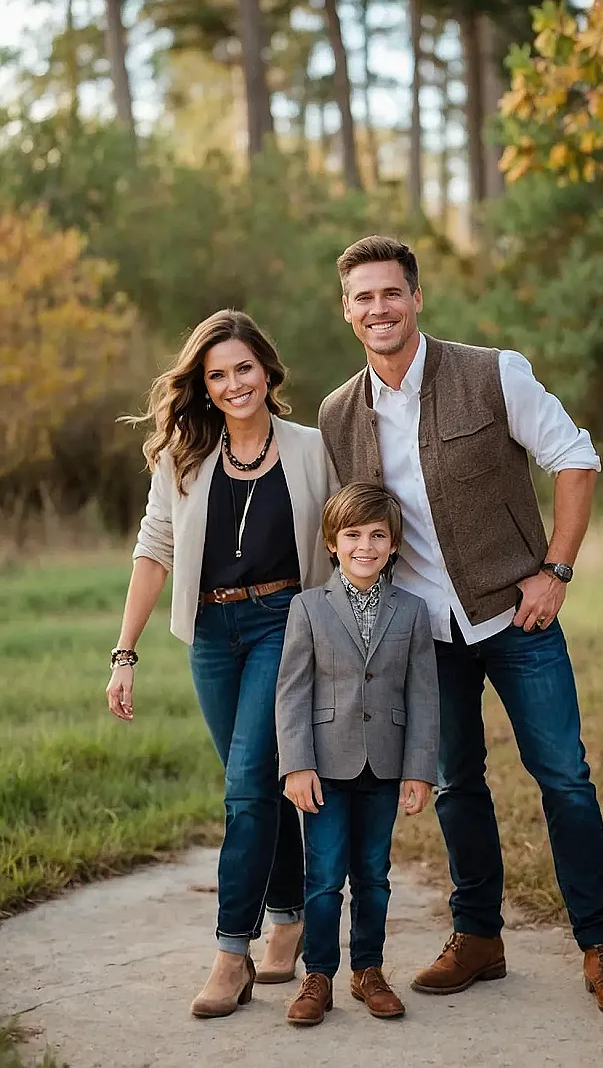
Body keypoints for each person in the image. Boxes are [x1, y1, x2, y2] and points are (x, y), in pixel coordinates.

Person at [318, 235, 603, 1017]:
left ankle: (599, 948)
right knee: (459, 784)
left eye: (390, 292)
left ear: (415, 298)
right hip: (423, 634)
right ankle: (478, 939)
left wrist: (555, 569)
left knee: (563, 778)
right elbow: (351, 531)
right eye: (363, 297)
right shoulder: (337, 414)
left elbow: (575, 457)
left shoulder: (493, 372)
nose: (378, 308)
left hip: (516, 615)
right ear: (346, 310)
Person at [106, 309, 337, 1019]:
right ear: (202, 387)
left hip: (284, 625)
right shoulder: (184, 458)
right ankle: (289, 915)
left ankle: (229, 953)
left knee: (243, 787)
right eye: (217, 374)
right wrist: (124, 651)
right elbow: (154, 549)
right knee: (256, 786)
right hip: (211, 631)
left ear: (267, 371)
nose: (233, 383)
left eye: (243, 368)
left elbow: (349, 534)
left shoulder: (311, 448)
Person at [276, 482, 439, 1026]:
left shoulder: (413, 612)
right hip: (323, 766)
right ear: (332, 542)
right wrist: (296, 764)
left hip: (386, 766)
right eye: (352, 535)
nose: (364, 545)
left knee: (373, 874)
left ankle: (368, 970)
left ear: (393, 545)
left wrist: (419, 770)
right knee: (323, 877)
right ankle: (317, 975)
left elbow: (422, 695)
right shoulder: (307, 608)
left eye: (377, 535)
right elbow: (293, 691)